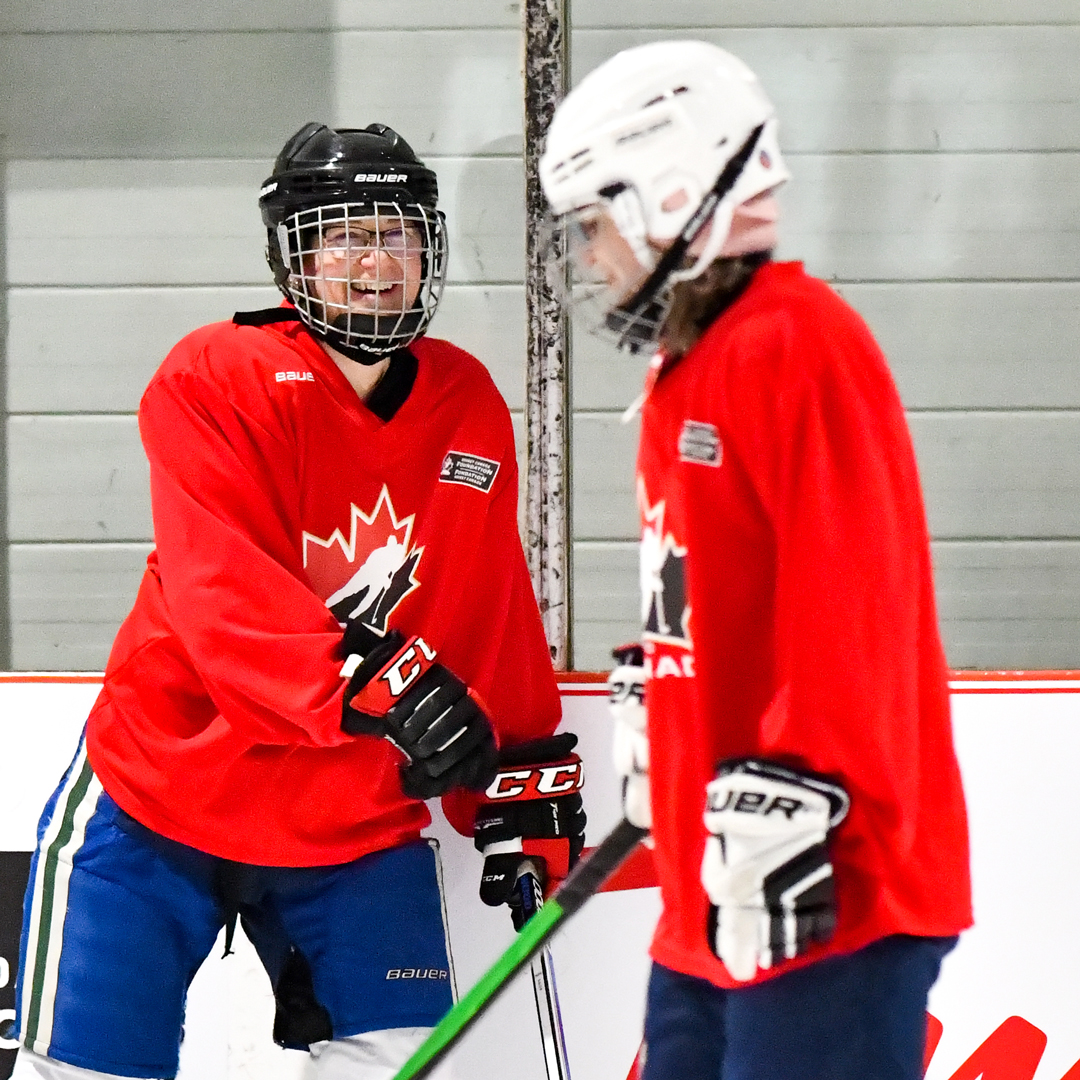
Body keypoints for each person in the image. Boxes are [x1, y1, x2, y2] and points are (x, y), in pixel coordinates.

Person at [6, 122, 584, 1080]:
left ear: (430, 249)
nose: (372, 260)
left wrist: (511, 783)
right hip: (166, 788)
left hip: (348, 816)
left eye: (396, 232)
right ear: (294, 254)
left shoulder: (466, 401)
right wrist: (376, 686)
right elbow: (220, 592)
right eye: (341, 233)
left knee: (403, 1061)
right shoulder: (214, 379)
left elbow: (488, 603)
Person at [540, 41, 972, 1080]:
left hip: (825, 888)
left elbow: (853, 609)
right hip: (711, 890)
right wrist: (664, 713)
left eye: (599, 223)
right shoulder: (681, 372)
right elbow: (703, 592)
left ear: (672, 192)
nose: (593, 258)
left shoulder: (798, 344)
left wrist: (799, 797)